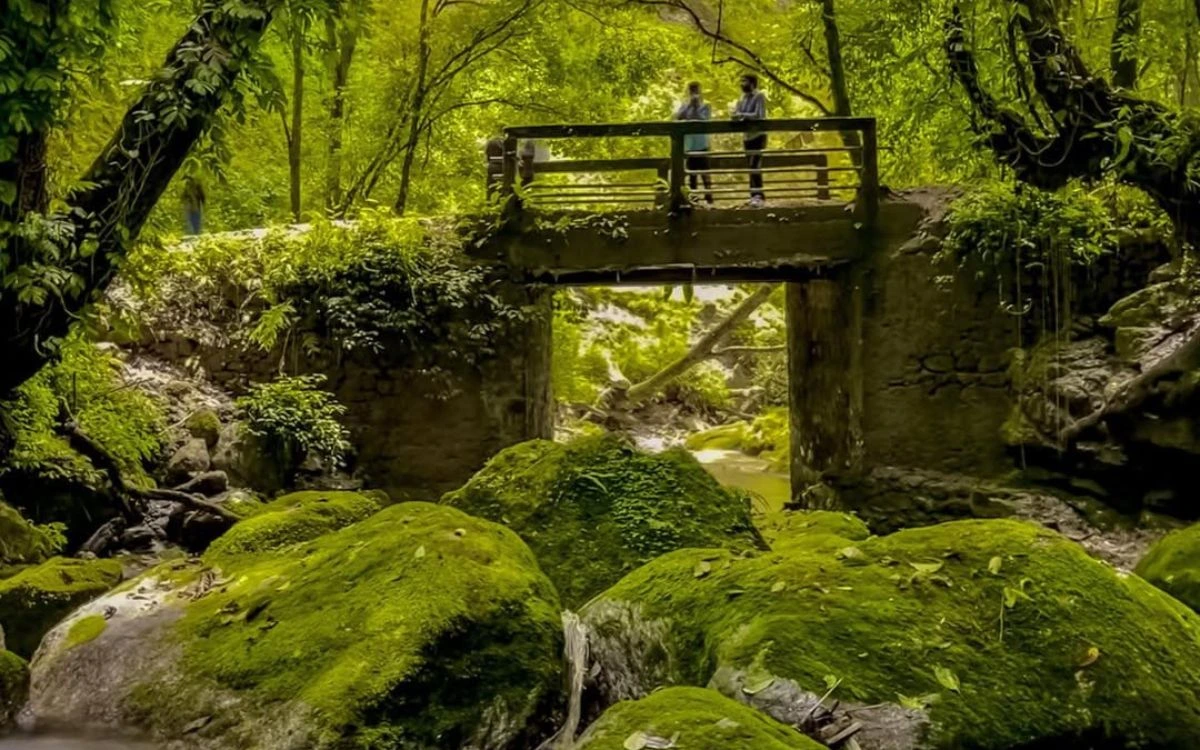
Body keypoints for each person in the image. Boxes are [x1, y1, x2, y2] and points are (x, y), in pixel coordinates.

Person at [674, 82, 714, 205]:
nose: (694, 93)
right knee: (692, 174)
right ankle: (694, 198)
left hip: (702, 144)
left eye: (696, 90)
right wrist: (689, 105)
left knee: (705, 172)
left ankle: (709, 197)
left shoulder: (706, 106)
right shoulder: (684, 105)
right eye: (692, 91)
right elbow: (677, 117)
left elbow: (704, 120)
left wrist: (696, 107)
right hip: (690, 145)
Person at [732, 74, 768, 207]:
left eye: (744, 81)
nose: (742, 83)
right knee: (750, 166)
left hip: (758, 135)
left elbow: (759, 115)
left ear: (752, 83)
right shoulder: (742, 97)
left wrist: (742, 115)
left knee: (755, 166)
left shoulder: (759, 96)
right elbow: (738, 112)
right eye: (741, 81)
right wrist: (735, 116)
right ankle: (754, 195)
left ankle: (758, 196)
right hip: (747, 136)